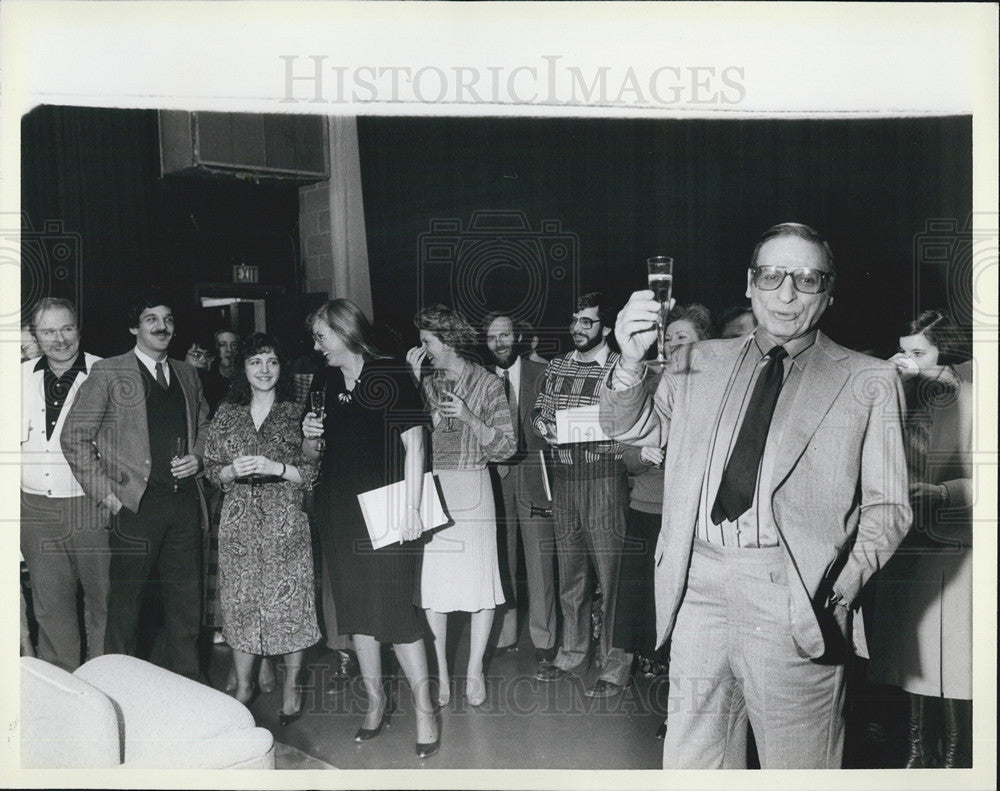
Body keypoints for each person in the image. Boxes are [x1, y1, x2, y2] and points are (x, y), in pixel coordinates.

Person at [600, 222, 911, 768]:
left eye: (807, 280)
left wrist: (835, 592)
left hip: (793, 594)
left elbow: (888, 508)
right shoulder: (696, 362)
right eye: (771, 276)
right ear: (750, 284)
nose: (786, 294)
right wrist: (627, 362)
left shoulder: (870, 379)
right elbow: (634, 429)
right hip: (697, 588)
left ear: (829, 292)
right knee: (693, 759)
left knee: (799, 765)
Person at [302, 299, 439, 757]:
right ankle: (376, 702)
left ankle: (424, 710)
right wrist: (308, 435)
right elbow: (313, 452)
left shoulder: (389, 373)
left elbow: (415, 444)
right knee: (356, 613)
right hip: (338, 511)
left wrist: (413, 508)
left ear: (344, 332)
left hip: (388, 511)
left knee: (398, 614)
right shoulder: (324, 380)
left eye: (321, 336)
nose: (316, 345)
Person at [61, 295, 209, 680]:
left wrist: (199, 456)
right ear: (134, 327)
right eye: (150, 319)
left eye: (167, 318)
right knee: (125, 610)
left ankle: (190, 690)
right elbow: (74, 437)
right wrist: (108, 496)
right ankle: (119, 691)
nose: (161, 326)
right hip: (134, 508)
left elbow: (207, 426)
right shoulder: (109, 373)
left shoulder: (187, 373)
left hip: (183, 506)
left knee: (186, 609)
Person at [868, 310, 973, 768]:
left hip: (953, 543)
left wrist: (942, 492)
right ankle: (915, 752)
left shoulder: (973, 399)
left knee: (953, 660)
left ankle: (953, 758)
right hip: (906, 541)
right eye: (903, 351)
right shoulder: (900, 397)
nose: (907, 360)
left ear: (943, 351)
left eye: (918, 352)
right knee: (909, 657)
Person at [203, 332, 320, 720]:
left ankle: (291, 687)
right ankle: (246, 683)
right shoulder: (226, 412)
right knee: (240, 602)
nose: (264, 370)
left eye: (271, 361)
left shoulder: (298, 412)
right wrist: (228, 470)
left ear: (281, 367)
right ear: (244, 368)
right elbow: (209, 469)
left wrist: (276, 468)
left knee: (291, 603)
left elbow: (313, 473)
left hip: (286, 515)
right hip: (238, 516)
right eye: (255, 362)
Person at [406, 305, 516, 708]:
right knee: (435, 590)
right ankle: (440, 675)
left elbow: (507, 447)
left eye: (427, 342)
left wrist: (469, 418)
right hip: (435, 485)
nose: (422, 349)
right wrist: (412, 383)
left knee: (480, 587)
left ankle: (473, 672)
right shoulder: (425, 382)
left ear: (448, 340)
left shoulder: (488, 384)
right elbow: (404, 436)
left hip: (474, 485)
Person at [614, 303, 715, 734]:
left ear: (705, 343)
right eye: (669, 338)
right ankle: (674, 710)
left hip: (692, 520)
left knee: (693, 624)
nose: (674, 345)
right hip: (649, 512)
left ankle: (687, 716)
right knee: (654, 620)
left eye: (684, 338)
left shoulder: (715, 386)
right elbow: (627, 456)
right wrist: (643, 454)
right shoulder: (651, 382)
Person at [531, 292, 632, 699]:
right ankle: (572, 654)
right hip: (565, 479)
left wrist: (590, 433)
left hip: (605, 479)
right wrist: (546, 428)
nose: (577, 328)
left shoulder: (621, 368)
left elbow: (628, 428)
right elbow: (538, 411)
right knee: (570, 575)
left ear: (606, 328)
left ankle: (616, 664)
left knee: (612, 578)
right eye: (574, 320)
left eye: (587, 322)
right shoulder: (556, 367)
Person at [20, 298, 107, 671]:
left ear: (78, 328)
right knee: (50, 603)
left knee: (103, 601)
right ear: (36, 336)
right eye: (49, 331)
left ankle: (106, 679)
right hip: (36, 507)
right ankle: (64, 686)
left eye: (66, 328)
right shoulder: (18, 377)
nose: (59, 339)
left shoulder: (107, 372)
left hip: (92, 505)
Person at [482, 312, 557, 668]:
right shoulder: (479, 380)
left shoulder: (543, 374)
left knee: (540, 563)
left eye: (505, 334)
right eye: (493, 336)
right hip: (495, 480)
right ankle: (506, 635)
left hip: (534, 477)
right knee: (502, 561)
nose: (500, 342)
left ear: (518, 338)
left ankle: (544, 640)